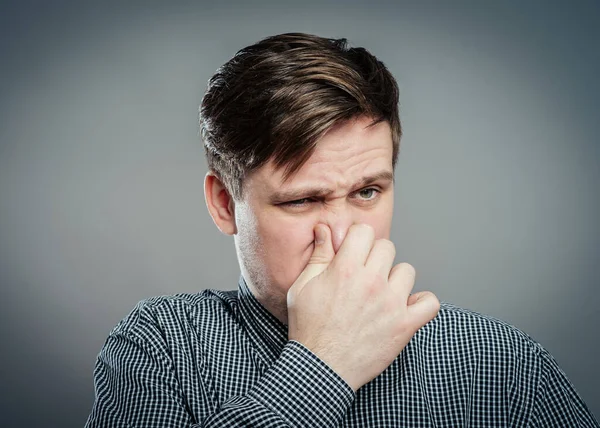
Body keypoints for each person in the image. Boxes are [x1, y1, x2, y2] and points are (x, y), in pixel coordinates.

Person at [85, 33, 599, 427]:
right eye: (304, 200)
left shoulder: (498, 362)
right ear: (225, 204)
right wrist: (322, 364)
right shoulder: (161, 348)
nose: (343, 234)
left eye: (367, 192)